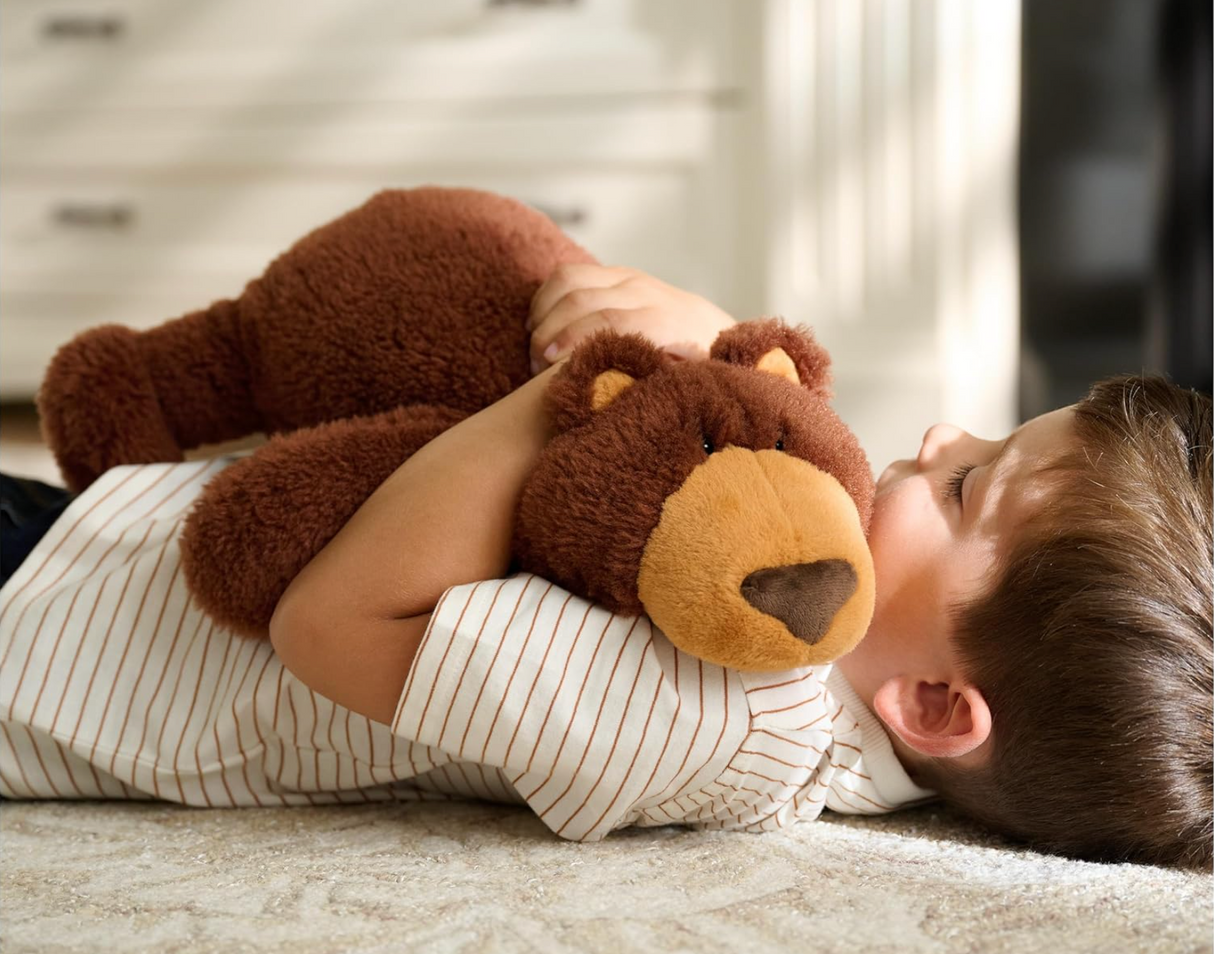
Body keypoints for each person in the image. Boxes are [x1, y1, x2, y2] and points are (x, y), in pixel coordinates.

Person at [1, 266, 1209, 869]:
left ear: (937, 704)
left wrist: (582, 387)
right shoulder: (792, 610)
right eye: (992, 430)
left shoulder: (720, 719)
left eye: (963, 488)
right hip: (100, 548)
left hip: (44, 653)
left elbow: (336, 622)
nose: (940, 436)